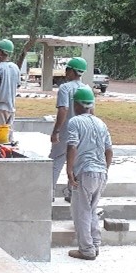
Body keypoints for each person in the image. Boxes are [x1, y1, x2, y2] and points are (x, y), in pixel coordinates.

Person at [63, 85, 113, 260]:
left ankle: (86, 250)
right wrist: (105, 169)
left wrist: (69, 170)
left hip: (84, 172)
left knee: (81, 211)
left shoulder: (75, 122)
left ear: (76, 105)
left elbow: (72, 146)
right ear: (90, 105)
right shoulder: (101, 123)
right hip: (101, 173)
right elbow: (109, 150)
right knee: (91, 210)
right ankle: (95, 245)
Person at [49, 56, 88, 196]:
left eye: (67, 70)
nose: (65, 73)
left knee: (55, 161)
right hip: (82, 133)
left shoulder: (65, 88)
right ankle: (73, 193)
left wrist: (56, 131)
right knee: (76, 163)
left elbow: (63, 109)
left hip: (66, 131)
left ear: (72, 71)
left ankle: (50, 193)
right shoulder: (86, 89)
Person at [0, 39, 21, 139]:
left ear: (0, 53)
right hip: (11, 108)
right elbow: (18, 85)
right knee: (8, 137)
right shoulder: (16, 68)